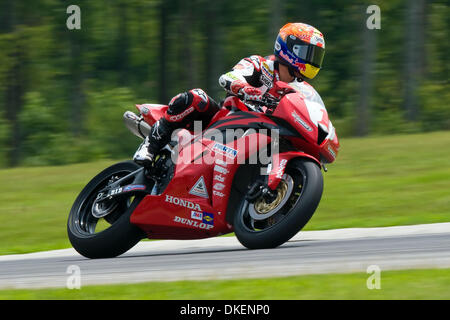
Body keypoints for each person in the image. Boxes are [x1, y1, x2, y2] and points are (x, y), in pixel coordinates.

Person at [133, 22, 326, 167]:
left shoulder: (301, 89)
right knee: (197, 97)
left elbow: (311, 113)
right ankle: (151, 144)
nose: (312, 61)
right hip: (226, 121)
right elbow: (228, 78)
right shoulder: (260, 64)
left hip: (265, 134)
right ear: (290, 48)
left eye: (316, 56)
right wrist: (249, 90)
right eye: (308, 53)